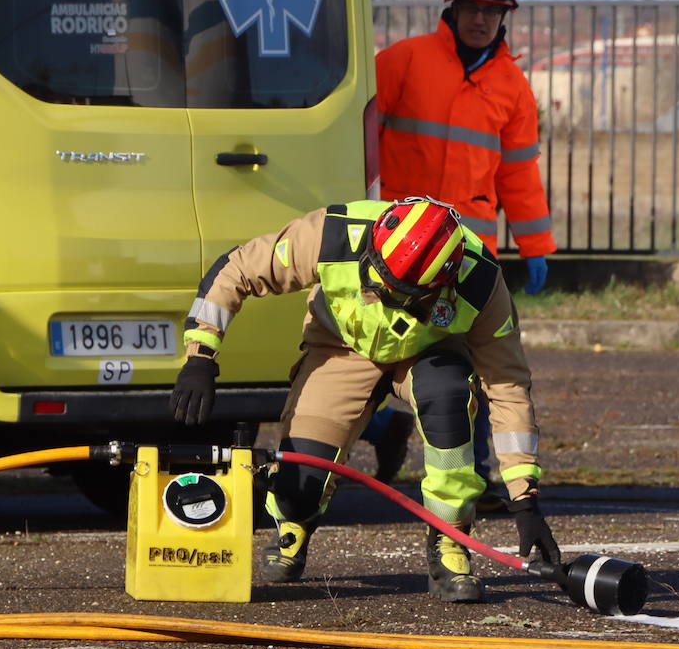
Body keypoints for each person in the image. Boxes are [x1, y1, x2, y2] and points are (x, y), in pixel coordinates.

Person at [171, 197, 560, 602]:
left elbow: (508, 385)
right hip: (340, 348)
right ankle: (294, 524)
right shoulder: (333, 234)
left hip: (427, 356)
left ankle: (450, 541)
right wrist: (200, 357)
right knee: (299, 478)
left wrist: (524, 497)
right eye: (375, 277)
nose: (376, 290)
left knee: (449, 397)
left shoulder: (479, 282)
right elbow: (237, 268)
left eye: (394, 292)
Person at [365, 0, 559, 493]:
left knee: (468, 363)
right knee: (374, 352)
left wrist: (535, 244)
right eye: (472, 8)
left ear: (505, 19)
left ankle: (477, 474)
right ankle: (383, 426)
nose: (481, 19)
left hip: (468, 251)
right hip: (397, 243)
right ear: (452, 9)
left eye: (492, 12)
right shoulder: (405, 60)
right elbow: (359, 132)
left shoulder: (513, 86)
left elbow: (519, 173)